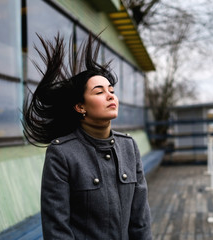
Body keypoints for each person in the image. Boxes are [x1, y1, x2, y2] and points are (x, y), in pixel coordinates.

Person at [22, 33, 152, 240]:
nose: (110, 95)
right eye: (99, 92)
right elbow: (57, 228)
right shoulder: (62, 153)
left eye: (111, 90)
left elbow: (140, 218)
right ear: (80, 106)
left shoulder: (129, 147)